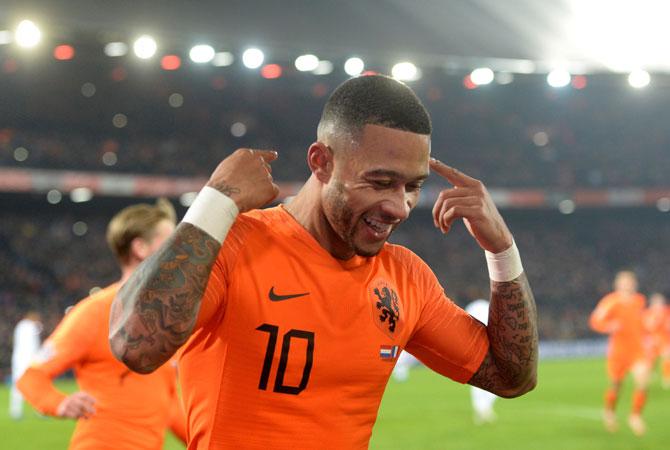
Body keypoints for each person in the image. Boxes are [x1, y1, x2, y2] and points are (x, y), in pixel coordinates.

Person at [110, 74, 538, 449]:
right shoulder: (237, 243)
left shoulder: (406, 278)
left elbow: (511, 377)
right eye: (381, 182)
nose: (400, 207)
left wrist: (501, 250)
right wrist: (216, 201)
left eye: (412, 186)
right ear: (321, 162)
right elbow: (136, 344)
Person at [18, 199, 187, 450]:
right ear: (140, 248)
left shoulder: (169, 317)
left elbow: (167, 403)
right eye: (168, 241)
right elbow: (31, 377)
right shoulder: (95, 312)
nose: (178, 250)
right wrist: (59, 403)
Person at [589, 270, 650, 436]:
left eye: (630, 281)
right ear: (618, 284)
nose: (627, 284)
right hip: (618, 353)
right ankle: (609, 412)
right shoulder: (611, 302)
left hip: (637, 351)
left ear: (634, 283)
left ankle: (635, 416)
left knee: (643, 380)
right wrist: (608, 326)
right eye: (624, 282)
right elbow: (595, 320)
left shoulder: (640, 300)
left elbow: (641, 323)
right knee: (616, 385)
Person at [465, 299, 498, 424]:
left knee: (491, 380)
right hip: (479, 349)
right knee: (482, 380)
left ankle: (483, 409)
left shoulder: (480, 307)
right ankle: (482, 409)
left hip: (482, 347)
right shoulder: (482, 307)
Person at [9, 311, 42, 419]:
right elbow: (34, 346)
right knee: (36, 385)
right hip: (29, 360)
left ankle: (15, 412)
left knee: (17, 385)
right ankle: (40, 410)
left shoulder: (20, 326)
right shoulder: (32, 326)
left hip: (18, 359)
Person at [644, 292, 670, 388]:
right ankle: (649, 373)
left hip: (664, 339)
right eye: (656, 302)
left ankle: (667, 378)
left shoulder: (667, 311)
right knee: (650, 358)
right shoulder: (648, 313)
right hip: (652, 339)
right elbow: (646, 327)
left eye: (660, 302)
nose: (658, 304)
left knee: (667, 356)